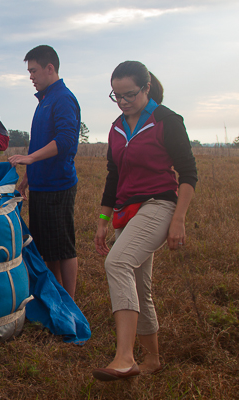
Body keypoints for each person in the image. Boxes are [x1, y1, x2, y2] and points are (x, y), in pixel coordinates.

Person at [91, 61, 197, 381]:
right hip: (127, 211)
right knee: (138, 284)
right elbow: (114, 177)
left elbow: (188, 173)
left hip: (159, 205)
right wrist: (102, 220)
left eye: (129, 95)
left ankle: (125, 357)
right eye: (117, 96)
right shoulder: (116, 128)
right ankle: (152, 358)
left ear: (146, 88)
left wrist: (178, 220)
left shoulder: (167, 121)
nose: (123, 102)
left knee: (118, 263)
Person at [8, 45, 81, 299]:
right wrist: (28, 175)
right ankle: (57, 293)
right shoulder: (44, 100)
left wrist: (30, 158)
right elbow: (39, 142)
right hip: (40, 184)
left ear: (50, 68)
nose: (31, 77)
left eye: (34, 71)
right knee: (48, 248)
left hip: (57, 185)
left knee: (63, 247)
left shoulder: (62, 98)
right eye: (29, 72)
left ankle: (69, 300)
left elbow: (66, 141)